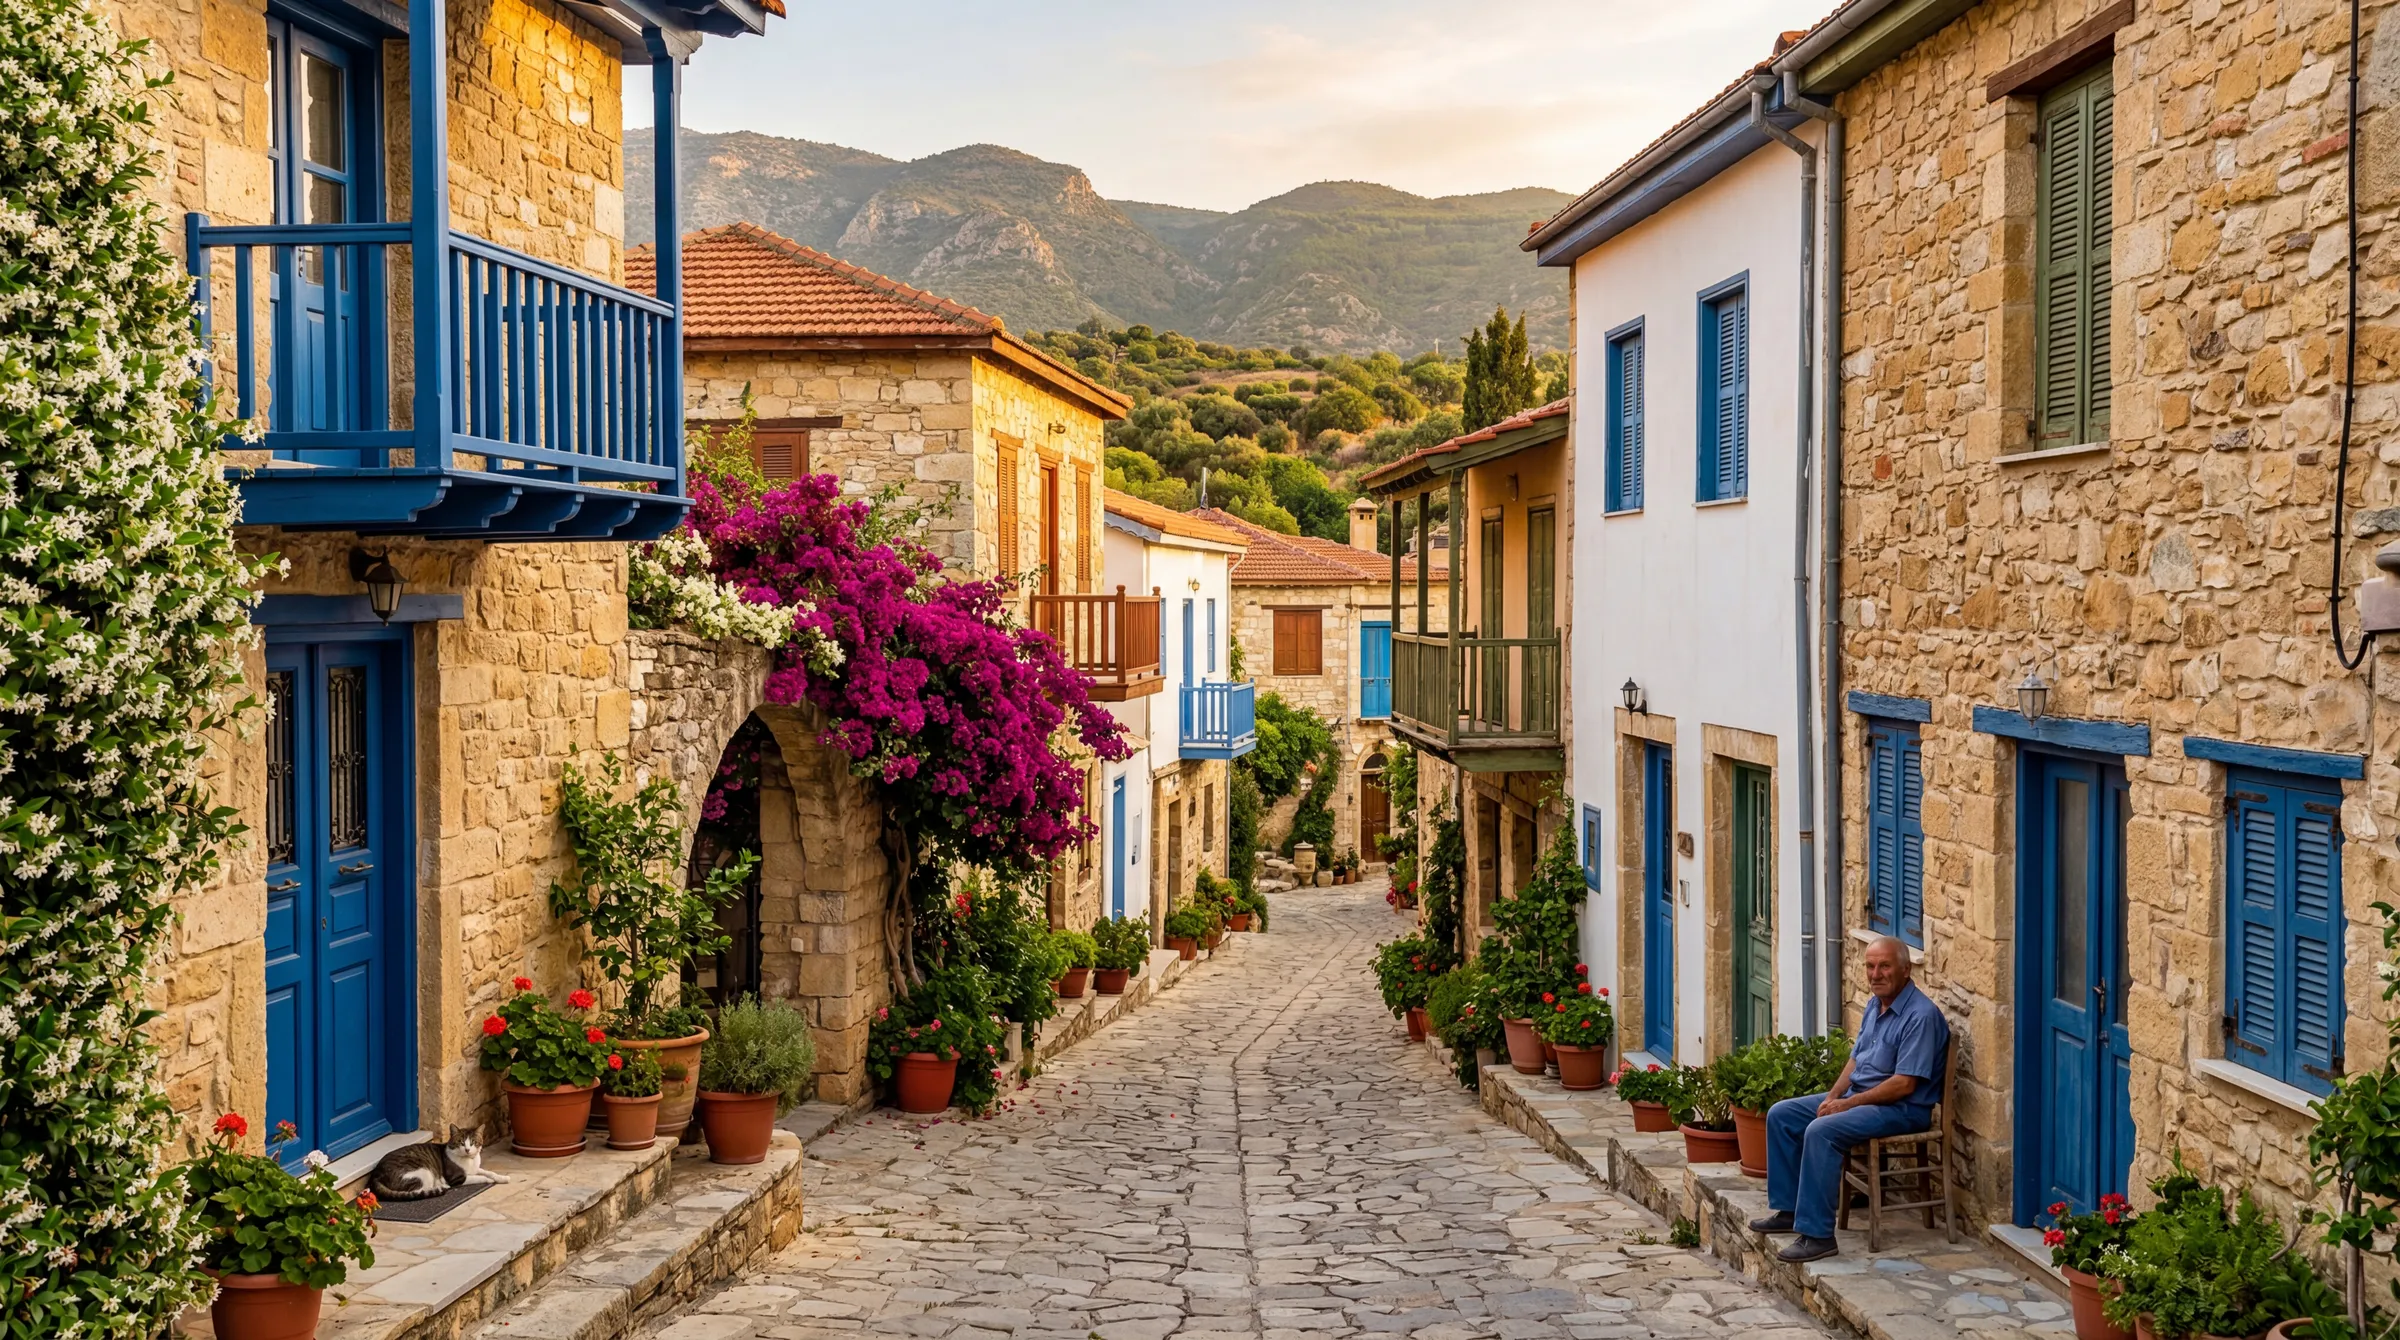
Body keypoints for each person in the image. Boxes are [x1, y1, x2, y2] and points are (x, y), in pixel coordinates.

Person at [1749, 935, 1950, 1263]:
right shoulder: (1875, 1004)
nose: (1875, 974)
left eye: (1884, 966)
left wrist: (1845, 1106)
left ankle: (1818, 1235)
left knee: (1821, 1131)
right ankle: (1790, 1209)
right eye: (1870, 966)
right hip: (1861, 1099)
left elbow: (1903, 1085)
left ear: (1905, 969)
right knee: (1782, 1114)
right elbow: (1856, 1060)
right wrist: (1831, 1098)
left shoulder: (1920, 1016)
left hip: (1901, 1109)